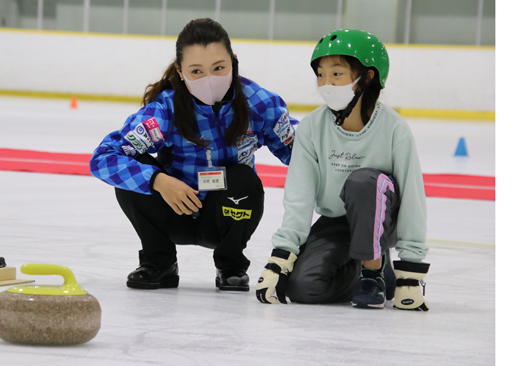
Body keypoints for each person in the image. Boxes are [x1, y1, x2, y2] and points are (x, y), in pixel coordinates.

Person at [89, 18, 298, 292]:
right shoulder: (165, 109)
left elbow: (299, 154)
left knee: (244, 179)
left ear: (233, 62)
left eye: (219, 68)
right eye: (196, 71)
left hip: (225, 209)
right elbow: (104, 157)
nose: (209, 79)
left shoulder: (260, 103)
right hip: (173, 209)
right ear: (181, 71)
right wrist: (158, 182)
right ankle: (159, 262)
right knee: (134, 172)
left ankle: (230, 265)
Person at [255, 29, 431, 310]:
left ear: (368, 77)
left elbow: (412, 198)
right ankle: (369, 269)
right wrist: (281, 258)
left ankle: (373, 272)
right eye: (321, 75)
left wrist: (410, 273)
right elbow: (299, 196)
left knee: (363, 182)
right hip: (338, 222)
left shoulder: (394, 128)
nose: (326, 84)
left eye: (336, 74)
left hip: (382, 221)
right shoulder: (312, 127)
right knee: (304, 287)